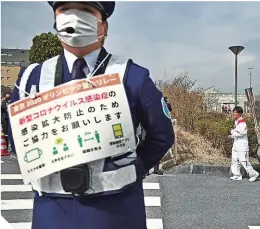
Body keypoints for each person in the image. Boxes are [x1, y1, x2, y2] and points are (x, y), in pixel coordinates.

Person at [8, 2, 174, 229]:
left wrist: (132, 168)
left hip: (116, 213)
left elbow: (161, 135)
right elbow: (17, 139)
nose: (73, 18)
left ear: (103, 26)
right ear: (55, 20)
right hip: (52, 214)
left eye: (85, 10)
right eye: (65, 10)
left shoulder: (132, 76)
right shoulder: (30, 79)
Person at [229, 106, 259, 182]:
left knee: (244, 160)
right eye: (234, 112)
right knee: (234, 159)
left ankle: (253, 174)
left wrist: (233, 133)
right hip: (236, 144)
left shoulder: (242, 122)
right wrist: (233, 134)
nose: (234, 113)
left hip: (242, 145)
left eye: (235, 112)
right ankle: (237, 174)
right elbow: (237, 132)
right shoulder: (236, 121)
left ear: (239, 114)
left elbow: (242, 132)